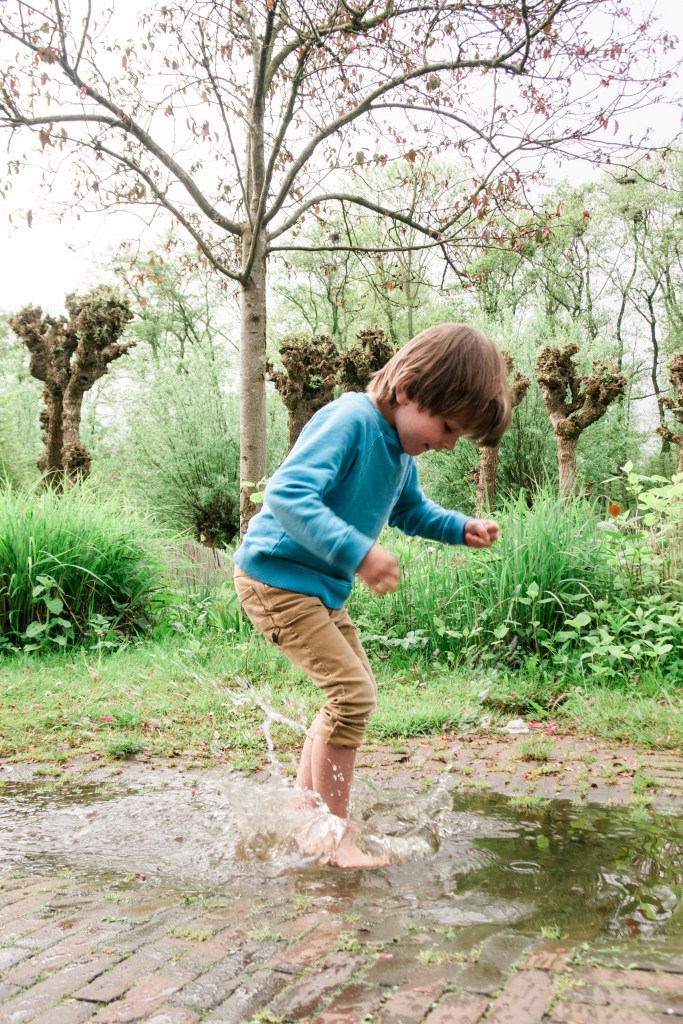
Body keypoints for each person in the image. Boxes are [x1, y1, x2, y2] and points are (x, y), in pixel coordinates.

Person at [233, 323, 511, 867]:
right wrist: (358, 552)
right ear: (407, 387)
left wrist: (459, 527)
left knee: (350, 692)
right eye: (448, 426)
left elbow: (410, 512)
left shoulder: (401, 451)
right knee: (352, 696)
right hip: (276, 580)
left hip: (315, 590)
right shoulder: (351, 420)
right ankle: (334, 839)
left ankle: (303, 807)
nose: (449, 443)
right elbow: (287, 494)